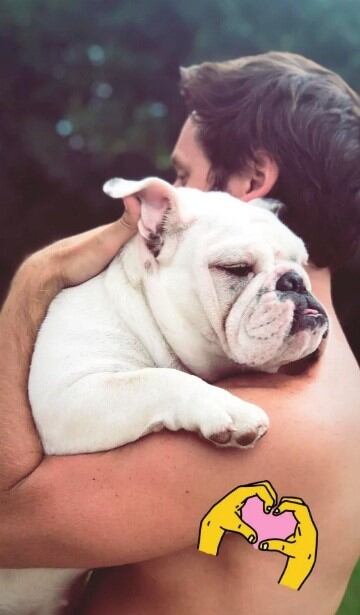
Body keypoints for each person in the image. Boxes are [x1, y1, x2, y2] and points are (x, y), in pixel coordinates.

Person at [0, 51, 359, 614]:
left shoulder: (264, 423)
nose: (173, 193)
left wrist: (34, 283)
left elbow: (7, 523)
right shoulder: (329, 388)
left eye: (184, 175)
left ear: (254, 181)